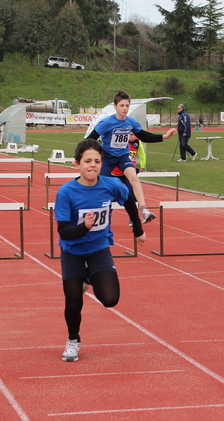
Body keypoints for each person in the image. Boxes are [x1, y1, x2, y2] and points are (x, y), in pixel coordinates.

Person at [55, 139, 145, 362]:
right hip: (72, 252)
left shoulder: (110, 185)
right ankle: (73, 341)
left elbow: (129, 201)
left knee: (110, 299)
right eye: (87, 161)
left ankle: (88, 277)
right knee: (73, 302)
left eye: (97, 161)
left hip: (98, 249)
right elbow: (64, 231)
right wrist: (84, 227)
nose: (92, 165)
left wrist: (138, 229)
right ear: (77, 164)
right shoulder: (66, 193)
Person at [86, 90, 175, 224]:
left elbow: (143, 136)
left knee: (133, 176)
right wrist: (78, 157)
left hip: (123, 155)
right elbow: (90, 139)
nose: (125, 108)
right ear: (115, 106)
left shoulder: (131, 122)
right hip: (108, 157)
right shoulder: (106, 123)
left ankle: (144, 210)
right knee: (101, 185)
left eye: (127, 105)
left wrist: (164, 136)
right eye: (122, 105)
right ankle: (96, 214)